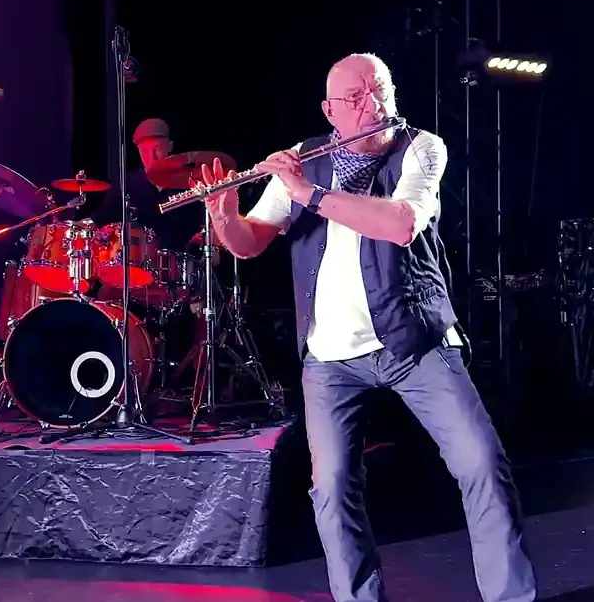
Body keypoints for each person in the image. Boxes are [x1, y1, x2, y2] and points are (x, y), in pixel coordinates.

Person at [200, 53, 536, 602]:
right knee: (330, 489)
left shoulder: (421, 148)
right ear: (330, 111)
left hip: (414, 341)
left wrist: (307, 193)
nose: (374, 105)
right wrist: (224, 217)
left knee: (483, 466)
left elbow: (401, 225)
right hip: (330, 358)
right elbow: (250, 242)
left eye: (379, 90)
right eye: (355, 99)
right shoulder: (305, 161)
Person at [89, 117, 203, 251]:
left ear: (170, 146)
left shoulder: (188, 182)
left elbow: (204, 227)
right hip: (136, 267)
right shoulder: (126, 185)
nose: (152, 157)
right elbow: (101, 220)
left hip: (181, 265)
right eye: (144, 150)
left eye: (157, 148)